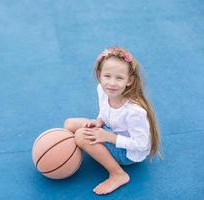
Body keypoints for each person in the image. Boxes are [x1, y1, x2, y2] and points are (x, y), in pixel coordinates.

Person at [64, 46, 161, 195]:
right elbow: (105, 112)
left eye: (119, 78)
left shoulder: (134, 111)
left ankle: (118, 174)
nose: (112, 83)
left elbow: (142, 145)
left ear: (129, 80)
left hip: (128, 153)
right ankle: (78, 150)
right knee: (69, 124)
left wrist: (109, 137)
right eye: (107, 76)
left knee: (80, 135)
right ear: (99, 75)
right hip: (112, 132)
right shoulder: (102, 90)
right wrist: (99, 122)